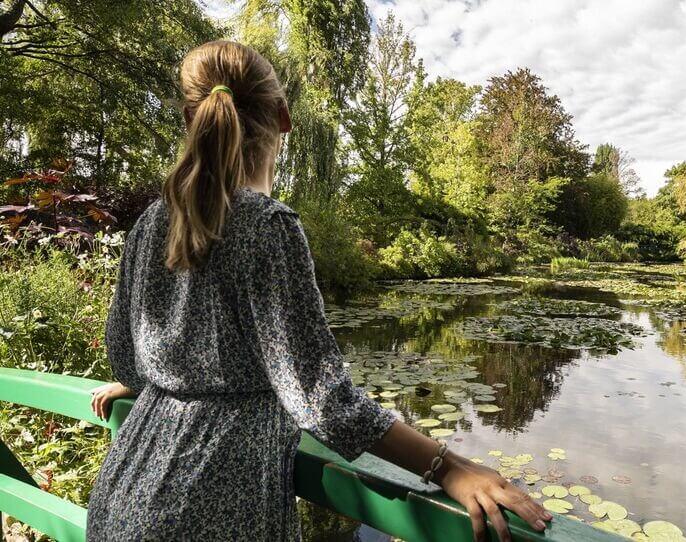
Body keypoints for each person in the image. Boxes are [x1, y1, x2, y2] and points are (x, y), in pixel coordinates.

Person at [85, 39, 551, 542]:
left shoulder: (151, 222)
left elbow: (126, 355)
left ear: (189, 120)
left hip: (123, 492)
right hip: (207, 506)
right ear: (284, 118)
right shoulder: (268, 226)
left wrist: (156, 384)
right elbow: (320, 400)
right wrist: (450, 467)